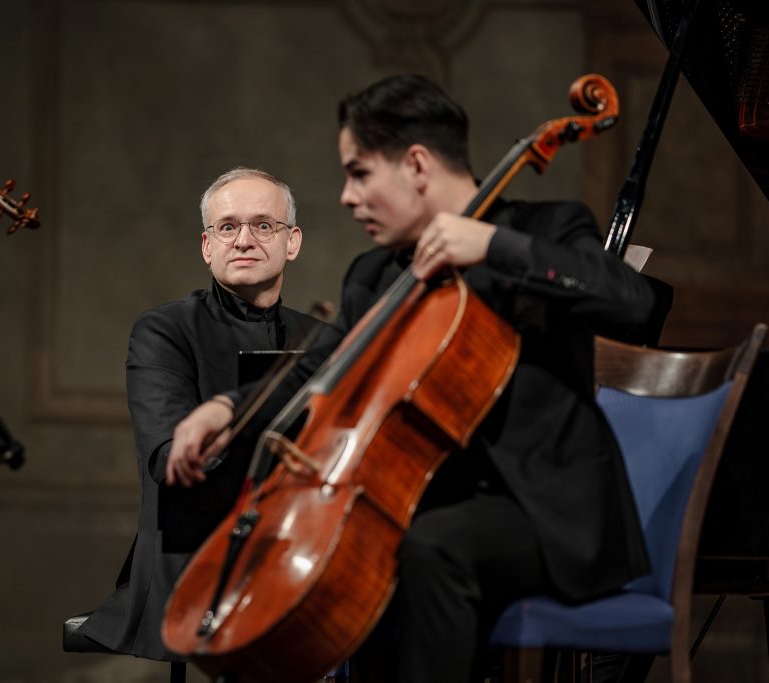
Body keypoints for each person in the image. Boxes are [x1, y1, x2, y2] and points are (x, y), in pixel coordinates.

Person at [166, 74, 657, 681]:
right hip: (422, 498)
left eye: (360, 173)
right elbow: (323, 366)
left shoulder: (543, 230)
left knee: (428, 548)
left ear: (417, 164)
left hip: (546, 515)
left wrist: (494, 245)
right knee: (370, 554)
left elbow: (632, 303)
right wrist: (226, 410)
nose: (347, 196)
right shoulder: (375, 274)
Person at [78, 167, 323, 662]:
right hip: (193, 556)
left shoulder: (320, 339)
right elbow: (170, 457)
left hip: (296, 547)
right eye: (227, 227)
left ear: (291, 242)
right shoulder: (164, 330)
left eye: (263, 225)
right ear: (207, 246)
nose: (244, 240)